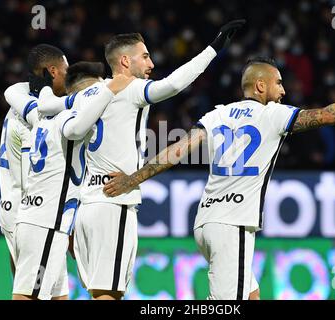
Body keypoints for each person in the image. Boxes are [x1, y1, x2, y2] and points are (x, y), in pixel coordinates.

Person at [102, 55, 335, 299]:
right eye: (278, 83)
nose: (283, 91)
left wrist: (133, 178)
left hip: (205, 224)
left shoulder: (216, 115)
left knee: (251, 296)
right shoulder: (273, 115)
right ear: (260, 85)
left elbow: (176, 151)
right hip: (234, 225)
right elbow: (328, 115)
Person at [73, 20, 245, 300]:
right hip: (113, 202)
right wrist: (214, 48)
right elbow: (174, 84)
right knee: (109, 295)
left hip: (87, 203)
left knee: (99, 292)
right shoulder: (130, 88)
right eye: (145, 56)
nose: (151, 64)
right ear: (125, 61)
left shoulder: (88, 93)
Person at [11, 61, 134, 300]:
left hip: (42, 219)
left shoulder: (39, 114)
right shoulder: (68, 118)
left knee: (58, 297)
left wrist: (44, 88)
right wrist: (107, 90)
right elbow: (78, 126)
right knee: (27, 296)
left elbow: (11, 92)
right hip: (47, 221)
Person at [0, 44, 69, 276]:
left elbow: (13, 90)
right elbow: (35, 173)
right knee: (34, 289)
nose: (70, 78)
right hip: (30, 208)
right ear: (52, 71)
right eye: (66, 70)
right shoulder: (34, 117)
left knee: (35, 285)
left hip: (14, 205)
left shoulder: (18, 96)